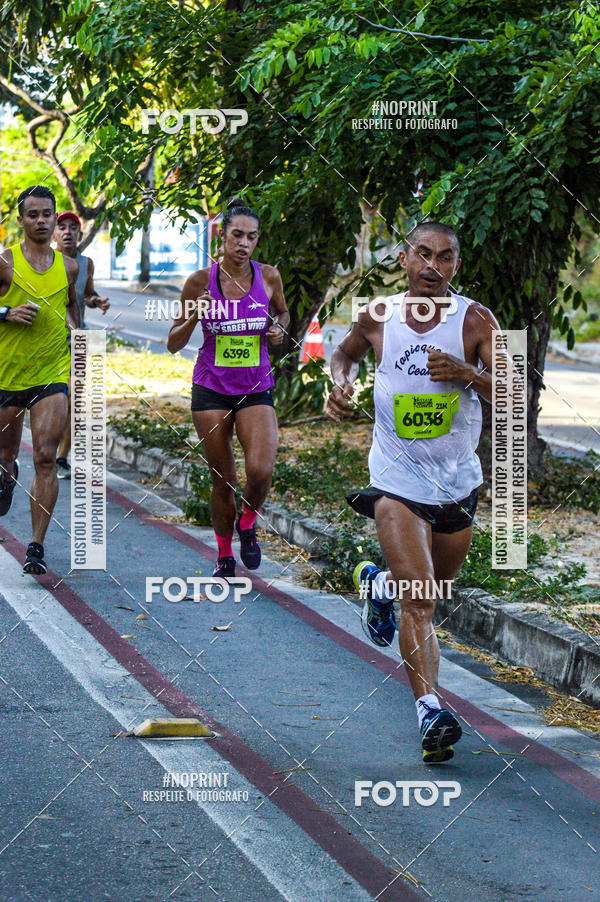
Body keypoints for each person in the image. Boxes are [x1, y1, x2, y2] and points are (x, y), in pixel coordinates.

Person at [326, 221, 501, 764]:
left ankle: (378, 585)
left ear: (456, 265)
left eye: (444, 258)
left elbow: (517, 392)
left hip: (456, 483)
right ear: (404, 259)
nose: (432, 266)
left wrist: (469, 373)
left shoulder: (476, 320)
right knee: (421, 599)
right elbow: (344, 354)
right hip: (396, 481)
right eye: (422, 254)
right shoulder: (378, 315)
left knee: (431, 589)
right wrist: (339, 382)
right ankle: (430, 711)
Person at [167, 199, 290, 577]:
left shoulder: (268, 277)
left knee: (261, 471)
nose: (244, 243)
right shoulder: (199, 282)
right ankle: (223, 555)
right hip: (212, 389)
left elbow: (283, 313)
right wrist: (193, 317)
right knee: (224, 480)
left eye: (251, 237)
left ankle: (247, 523)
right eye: (237, 235)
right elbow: (172, 342)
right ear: (222, 235)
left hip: (255, 386)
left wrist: (279, 328)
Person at [0, 186, 81, 574]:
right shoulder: (5, 263)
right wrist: (6, 312)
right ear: (21, 220)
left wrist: (79, 337)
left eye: (47, 214)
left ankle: (36, 546)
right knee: (5, 456)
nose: (41, 221)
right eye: (32, 215)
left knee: (46, 456)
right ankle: (6, 478)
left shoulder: (69, 267)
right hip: (8, 375)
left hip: (51, 373)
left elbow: (71, 308)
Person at [53, 211, 110, 479]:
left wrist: (96, 300)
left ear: (80, 234)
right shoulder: (46, 262)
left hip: (76, 340)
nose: (67, 232)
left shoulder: (86, 264)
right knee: (50, 400)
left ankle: (61, 458)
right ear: (54, 234)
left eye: (72, 228)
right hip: (46, 342)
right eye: (62, 227)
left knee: (74, 400)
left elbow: (86, 295)